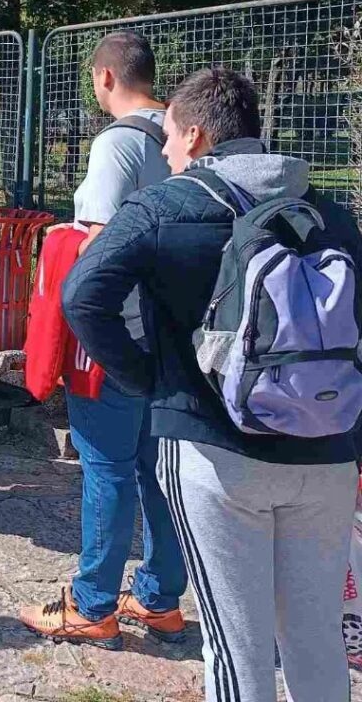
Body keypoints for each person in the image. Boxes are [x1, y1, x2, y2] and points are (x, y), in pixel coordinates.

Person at [62, 68, 360, 700]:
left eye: (169, 137)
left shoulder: (167, 204)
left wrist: (147, 382)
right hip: (328, 448)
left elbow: (82, 294)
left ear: (195, 135)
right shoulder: (328, 212)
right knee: (315, 640)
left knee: (236, 644)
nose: (166, 152)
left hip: (212, 449)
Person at [20, 31, 187, 650]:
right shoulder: (183, 138)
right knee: (159, 473)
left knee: (107, 470)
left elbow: (99, 249)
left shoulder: (117, 144)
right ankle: (160, 598)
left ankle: (93, 604)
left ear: (106, 77)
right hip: (170, 336)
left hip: (116, 339)